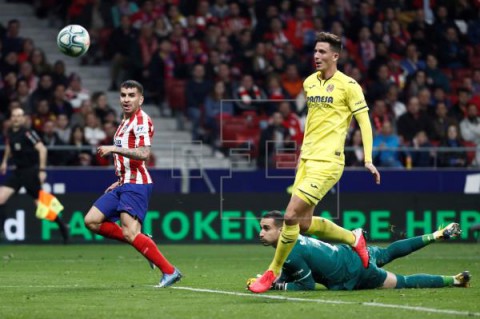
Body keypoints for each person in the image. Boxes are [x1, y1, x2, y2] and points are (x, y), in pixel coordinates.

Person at [248, 32, 381, 294]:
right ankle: (354, 238)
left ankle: (272, 271)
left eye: (322, 52)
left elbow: (364, 122)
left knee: (289, 216)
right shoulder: (309, 83)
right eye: (315, 51)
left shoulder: (349, 85)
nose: (316, 56)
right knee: (304, 224)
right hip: (307, 160)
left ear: (335, 56)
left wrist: (367, 158)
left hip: (328, 161)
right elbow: (312, 123)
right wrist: (301, 158)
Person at [83, 80, 181, 287]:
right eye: (123, 95)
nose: (126, 99)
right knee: (91, 221)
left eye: (131, 95)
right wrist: (118, 180)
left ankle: (170, 271)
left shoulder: (141, 120)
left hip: (137, 184)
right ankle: (141, 239)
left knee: (129, 232)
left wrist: (113, 149)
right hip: (123, 182)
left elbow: (144, 154)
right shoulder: (124, 122)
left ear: (141, 99)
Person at [247, 211, 470, 291]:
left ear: (281, 230)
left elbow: (305, 285)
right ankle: (436, 234)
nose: (260, 233)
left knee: (403, 282)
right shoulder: (296, 242)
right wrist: (271, 280)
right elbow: (294, 271)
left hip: (353, 272)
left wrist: (278, 286)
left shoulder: (290, 254)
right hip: (351, 251)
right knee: (390, 251)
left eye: (266, 228)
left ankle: (455, 280)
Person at [0, 108, 69, 243]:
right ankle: (2, 231)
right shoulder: (10, 132)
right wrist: (4, 162)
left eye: (19, 116)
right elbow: (9, 146)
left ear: (23, 118)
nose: (16, 118)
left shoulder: (28, 133)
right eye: (14, 116)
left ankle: (63, 227)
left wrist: (42, 170)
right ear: (11, 118)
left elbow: (42, 149)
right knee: (1, 198)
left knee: (41, 206)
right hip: (17, 172)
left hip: (29, 172)